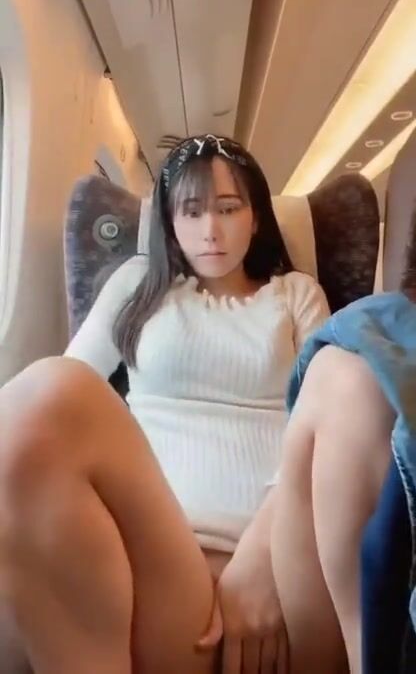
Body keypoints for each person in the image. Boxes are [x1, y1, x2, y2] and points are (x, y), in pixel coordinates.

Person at [0, 135, 395, 674]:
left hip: (282, 566)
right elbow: (62, 397)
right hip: (159, 568)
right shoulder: (137, 284)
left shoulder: (296, 294)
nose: (210, 229)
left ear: (256, 218)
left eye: (228, 209)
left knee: (350, 377)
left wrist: (261, 554)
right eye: (191, 211)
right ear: (169, 221)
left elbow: (324, 424)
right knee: (44, 397)